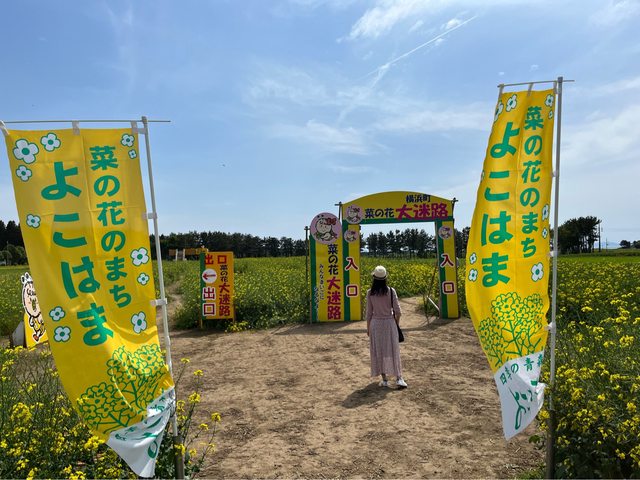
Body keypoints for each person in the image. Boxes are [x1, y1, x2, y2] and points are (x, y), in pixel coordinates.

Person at [365, 265, 407, 389]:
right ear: (385, 278)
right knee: (393, 350)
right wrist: (395, 324)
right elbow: (398, 312)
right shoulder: (391, 291)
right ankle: (399, 378)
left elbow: (369, 313)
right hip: (389, 323)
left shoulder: (370, 293)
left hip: (375, 324)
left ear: (374, 278)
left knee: (379, 351)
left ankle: (384, 380)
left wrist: (368, 328)